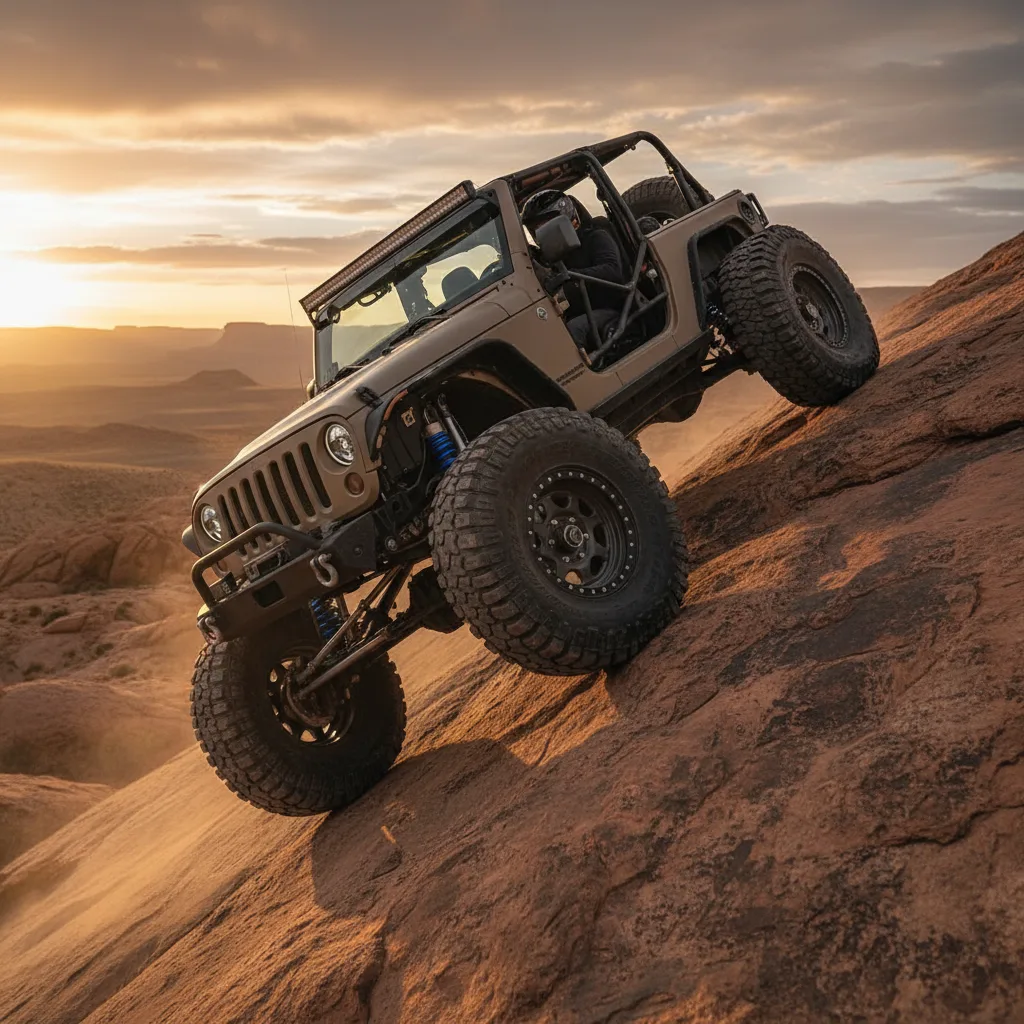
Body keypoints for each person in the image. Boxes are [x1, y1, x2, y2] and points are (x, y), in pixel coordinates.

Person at [521, 189, 625, 349]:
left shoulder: (595, 236)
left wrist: (572, 276)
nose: (540, 233)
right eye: (535, 229)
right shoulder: (551, 258)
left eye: (544, 226)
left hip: (610, 308)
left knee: (573, 330)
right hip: (575, 312)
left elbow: (613, 271)